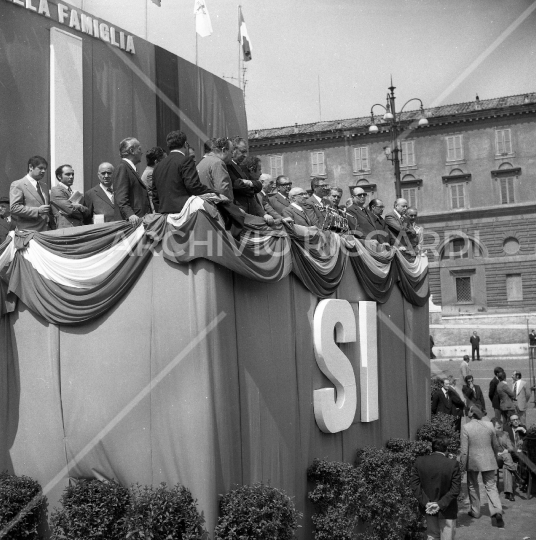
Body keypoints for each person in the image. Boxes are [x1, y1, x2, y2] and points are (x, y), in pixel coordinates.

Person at [152, 130, 215, 214]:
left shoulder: (158, 166)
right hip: (184, 214)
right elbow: (193, 186)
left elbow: (155, 196)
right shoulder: (186, 160)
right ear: (185, 144)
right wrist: (213, 193)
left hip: (165, 216)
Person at [460, 406, 503, 526]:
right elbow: (495, 445)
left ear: (472, 413)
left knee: (473, 485)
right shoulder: (489, 425)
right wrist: (494, 457)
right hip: (488, 459)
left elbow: (464, 451)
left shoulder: (466, 427)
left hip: (473, 461)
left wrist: (462, 466)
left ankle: (476, 511)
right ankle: (497, 511)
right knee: (491, 486)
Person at [410, 436, 460, 540]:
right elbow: (455, 489)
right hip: (447, 508)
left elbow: (415, 485)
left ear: (431, 447)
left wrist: (426, 502)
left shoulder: (420, 461)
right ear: (446, 448)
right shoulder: (452, 464)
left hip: (428, 508)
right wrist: (440, 504)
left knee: (432, 536)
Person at [112, 137, 150, 225]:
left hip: (139, 220)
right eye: (139, 149)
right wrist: (130, 214)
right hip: (132, 223)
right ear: (132, 151)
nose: (142, 152)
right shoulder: (123, 168)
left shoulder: (130, 169)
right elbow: (121, 197)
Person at [9, 155, 53, 232]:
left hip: (45, 231)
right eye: (40, 168)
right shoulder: (18, 184)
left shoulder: (44, 186)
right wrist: (38, 210)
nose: (43, 171)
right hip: (28, 231)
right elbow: (14, 208)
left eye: (45, 169)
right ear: (31, 167)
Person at [227, 136, 262, 215]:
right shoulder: (228, 166)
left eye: (246, 152)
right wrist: (251, 186)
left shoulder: (243, 167)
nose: (245, 155)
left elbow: (258, 185)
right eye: (242, 151)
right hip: (240, 213)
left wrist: (249, 183)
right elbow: (237, 185)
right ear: (233, 150)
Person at [491, 419, 517, 501]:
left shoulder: (505, 434)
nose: (500, 430)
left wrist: (507, 450)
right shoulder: (489, 435)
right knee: (507, 457)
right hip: (495, 458)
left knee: (506, 464)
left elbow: (511, 447)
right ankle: (516, 473)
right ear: (492, 427)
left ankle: (509, 493)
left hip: (505, 458)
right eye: (498, 428)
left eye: (501, 428)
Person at [141, 146, 166, 212]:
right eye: (164, 160)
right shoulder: (150, 173)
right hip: (155, 209)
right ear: (156, 162)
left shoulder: (150, 171)